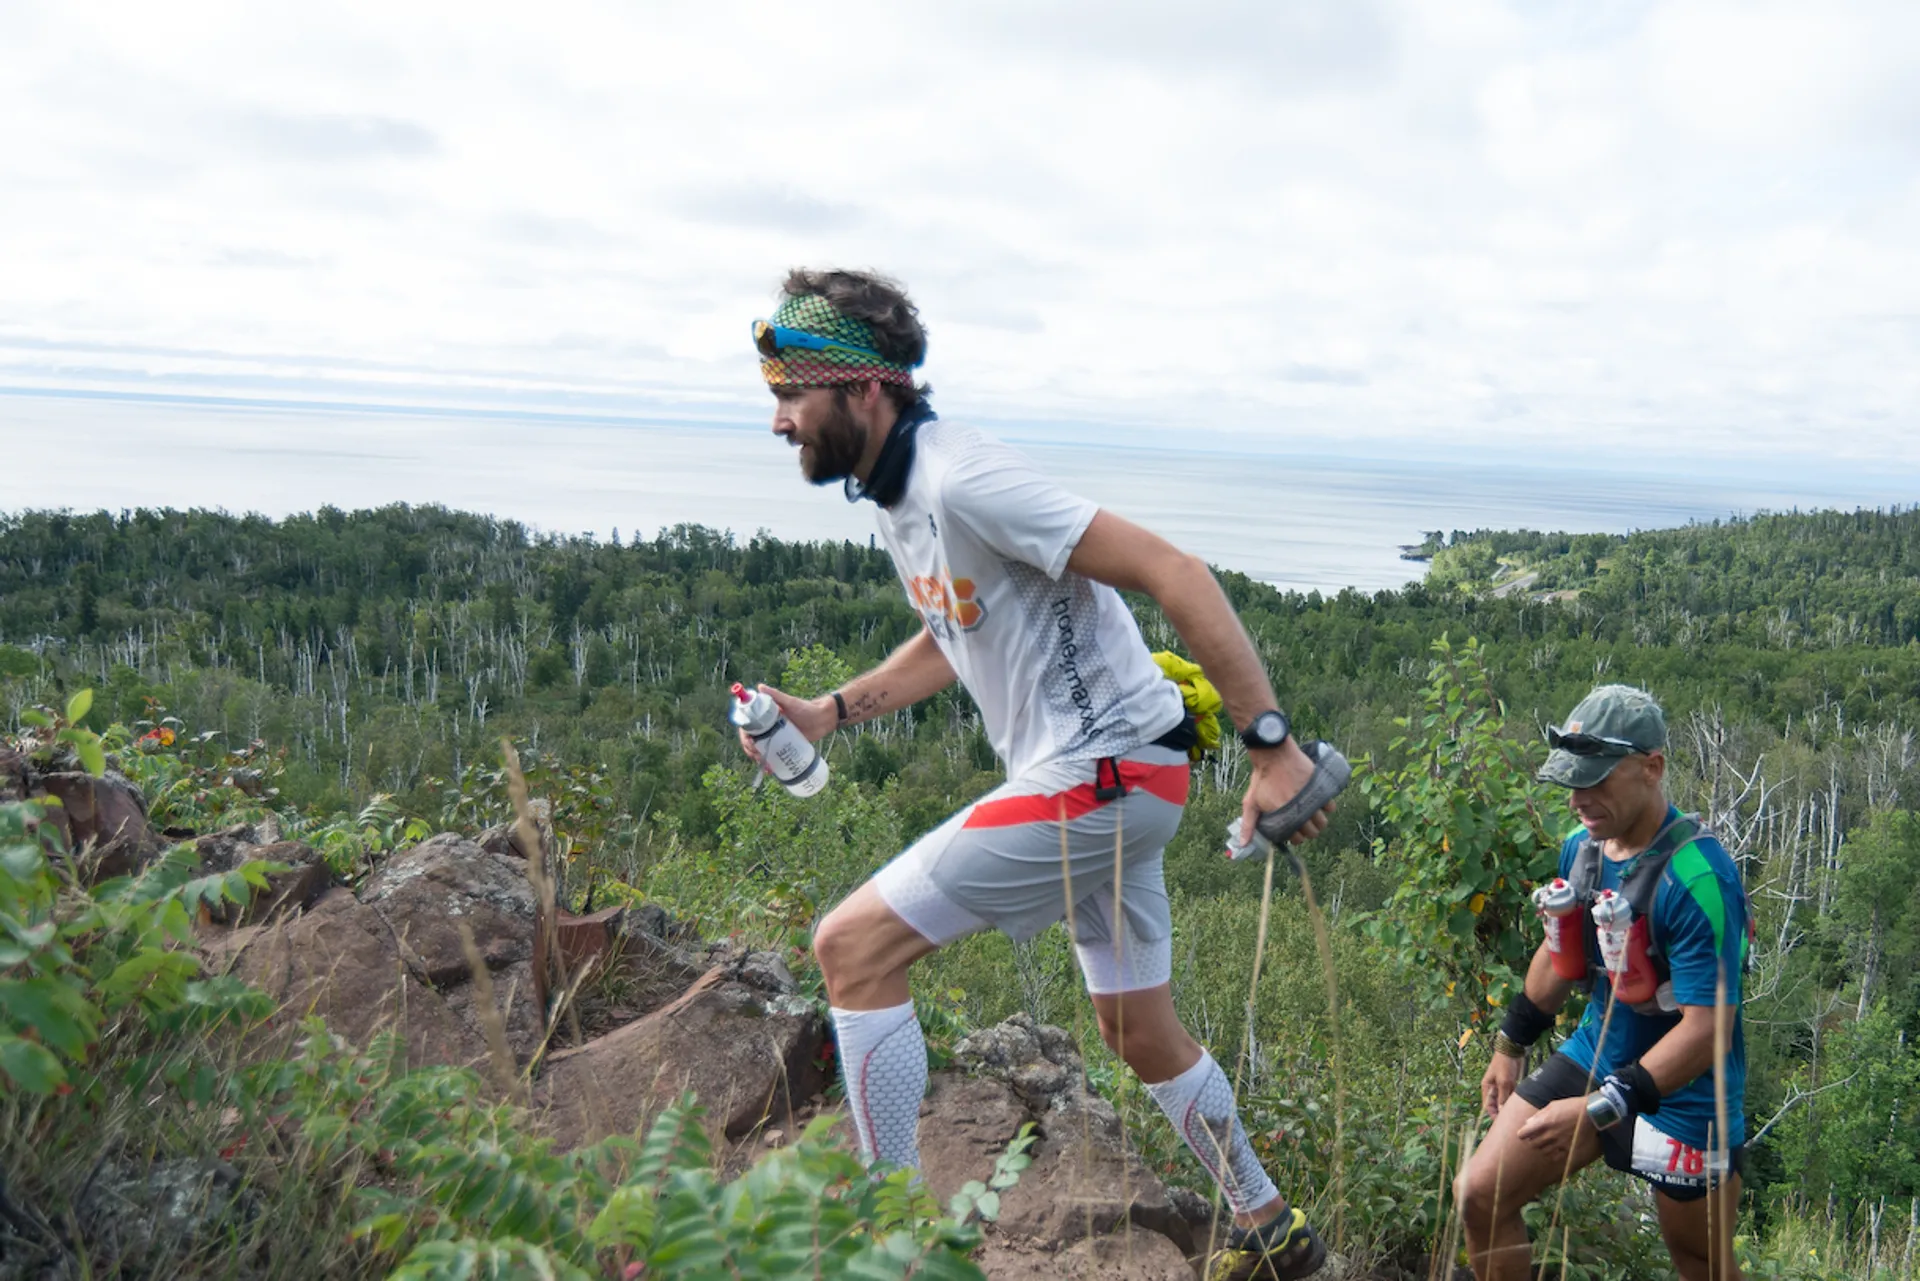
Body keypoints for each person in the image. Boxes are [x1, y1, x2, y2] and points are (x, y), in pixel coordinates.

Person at [738, 268, 1347, 1280]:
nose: (778, 420)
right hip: (1121, 779)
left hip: (1101, 773)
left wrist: (1272, 747)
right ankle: (1271, 1227)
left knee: (851, 947)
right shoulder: (900, 495)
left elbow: (1175, 571)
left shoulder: (962, 476)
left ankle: (894, 1250)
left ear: (865, 387)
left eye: (791, 393)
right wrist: (828, 711)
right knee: (1137, 1029)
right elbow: (952, 629)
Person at [1457, 685, 1749, 1281]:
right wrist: (1511, 1042)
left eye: (1595, 781)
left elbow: (1707, 1031)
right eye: (1570, 783)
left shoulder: (1699, 878)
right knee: (1479, 1197)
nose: (1578, 800)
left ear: (1652, 768)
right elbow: (1558, 952)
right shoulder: (1583, 849)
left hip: (1688, 1094)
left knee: (1701, 1262)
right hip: (1598, 1053)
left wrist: (1600, 1109)